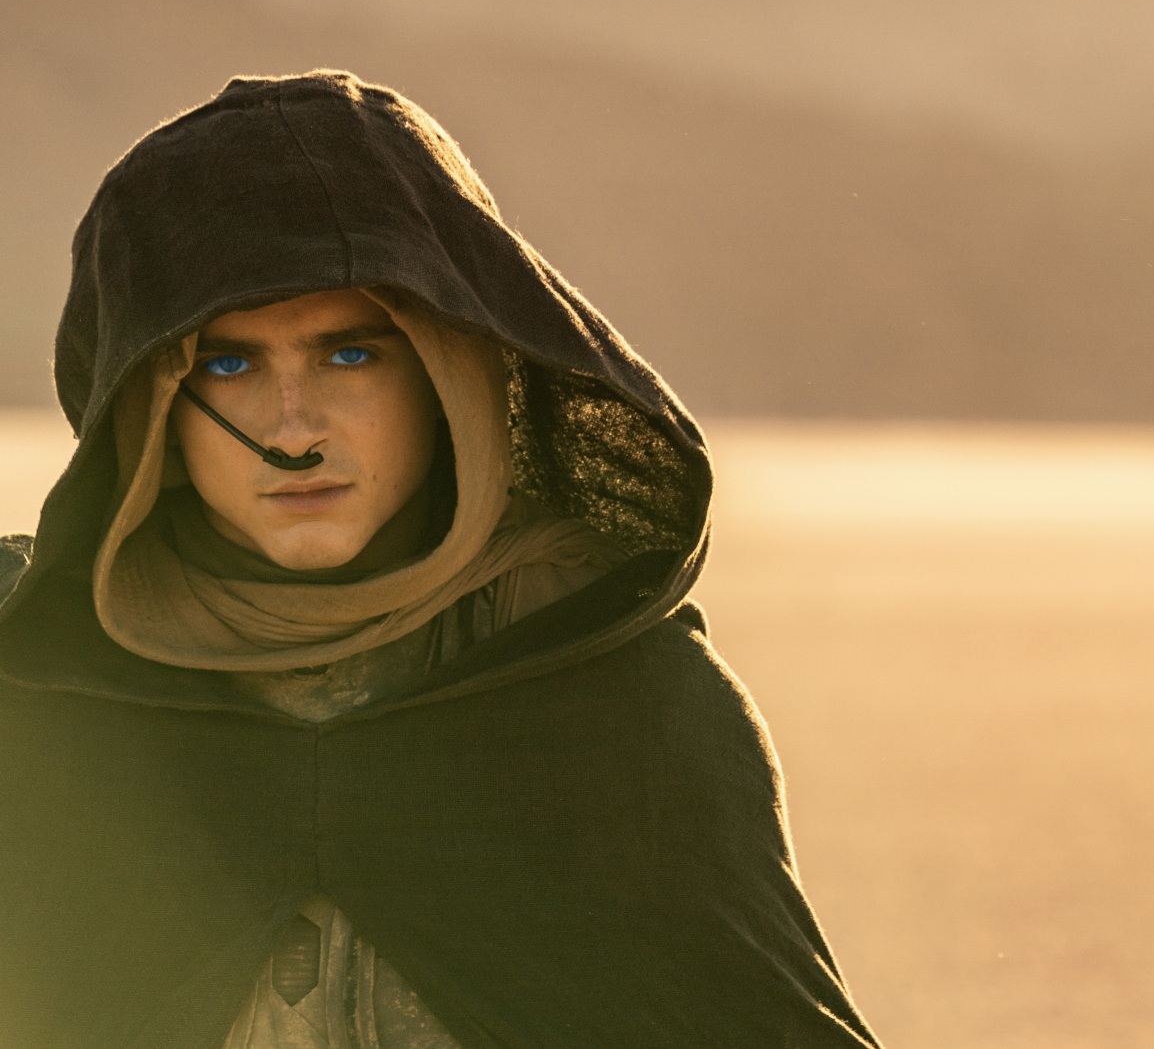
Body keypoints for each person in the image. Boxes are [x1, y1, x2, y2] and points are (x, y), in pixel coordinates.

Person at [0, 71, 881, 1049]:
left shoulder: (628, 719)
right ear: (147, 402)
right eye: (228, 362)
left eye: (349, 354)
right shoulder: (36, 714)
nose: (293, 432)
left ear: (451, 368)